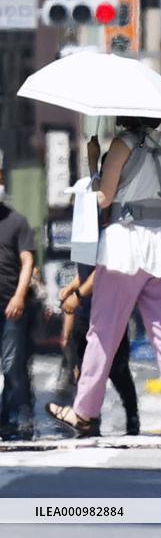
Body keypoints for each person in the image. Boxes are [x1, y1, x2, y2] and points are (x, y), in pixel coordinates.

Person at [47, 116, 161, 438]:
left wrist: (93, 169)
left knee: (104, 331)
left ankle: (84, 411)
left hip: (124, 245)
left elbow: (104, 198)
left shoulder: (122, 143)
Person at [59, 267, 139, 436]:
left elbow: (103, 271)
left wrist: (77, 294)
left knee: (119, 372)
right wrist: (72, 287)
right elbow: (84, 273)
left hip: (109, 314)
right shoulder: (83, 244)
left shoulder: (107, 242)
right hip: (84, 315)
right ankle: (90, 419)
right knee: (83, 373)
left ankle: (132, 419)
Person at [0, 182, 36, 441]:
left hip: (10, 305)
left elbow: (28, 261)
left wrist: (19, 296)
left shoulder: (17, 221)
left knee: (12, 364)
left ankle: (12, 417)